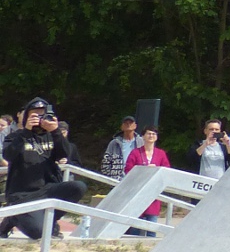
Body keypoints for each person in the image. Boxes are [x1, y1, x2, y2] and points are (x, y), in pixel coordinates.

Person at [1, 98, 87, 241]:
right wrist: (26, 131)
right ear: (27, 116)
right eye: (35, 115)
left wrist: (55, 131)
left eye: (43, 114)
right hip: (22, 194)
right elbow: (8, 155)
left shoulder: (52, 136)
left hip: (47, 189)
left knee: (78, 187)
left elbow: (65, 154)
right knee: (38, 233)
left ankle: (50, 221)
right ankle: (11, 219)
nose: (39, 118)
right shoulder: (15, 136)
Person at [122, 125, 172, 236]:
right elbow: (128, 170)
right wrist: (144, 170)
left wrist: (156, 169)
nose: (151, 136)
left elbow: (167, 170)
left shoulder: (161, 153)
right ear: (143, 136)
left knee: (151, 226)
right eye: (148, 133)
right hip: (138, 192)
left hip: (153, 194)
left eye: (154, 134)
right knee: (135, 227)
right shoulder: (135, 153)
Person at [100, 115, 143, 180]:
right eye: (126, 123)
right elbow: (106, 161)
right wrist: (110, 178)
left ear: (135, 126)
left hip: (136, 178)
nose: (128, 125)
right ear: (122, 127)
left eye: (130, 123)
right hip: (117, 179)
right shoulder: (114, 143)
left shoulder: (141, 142)